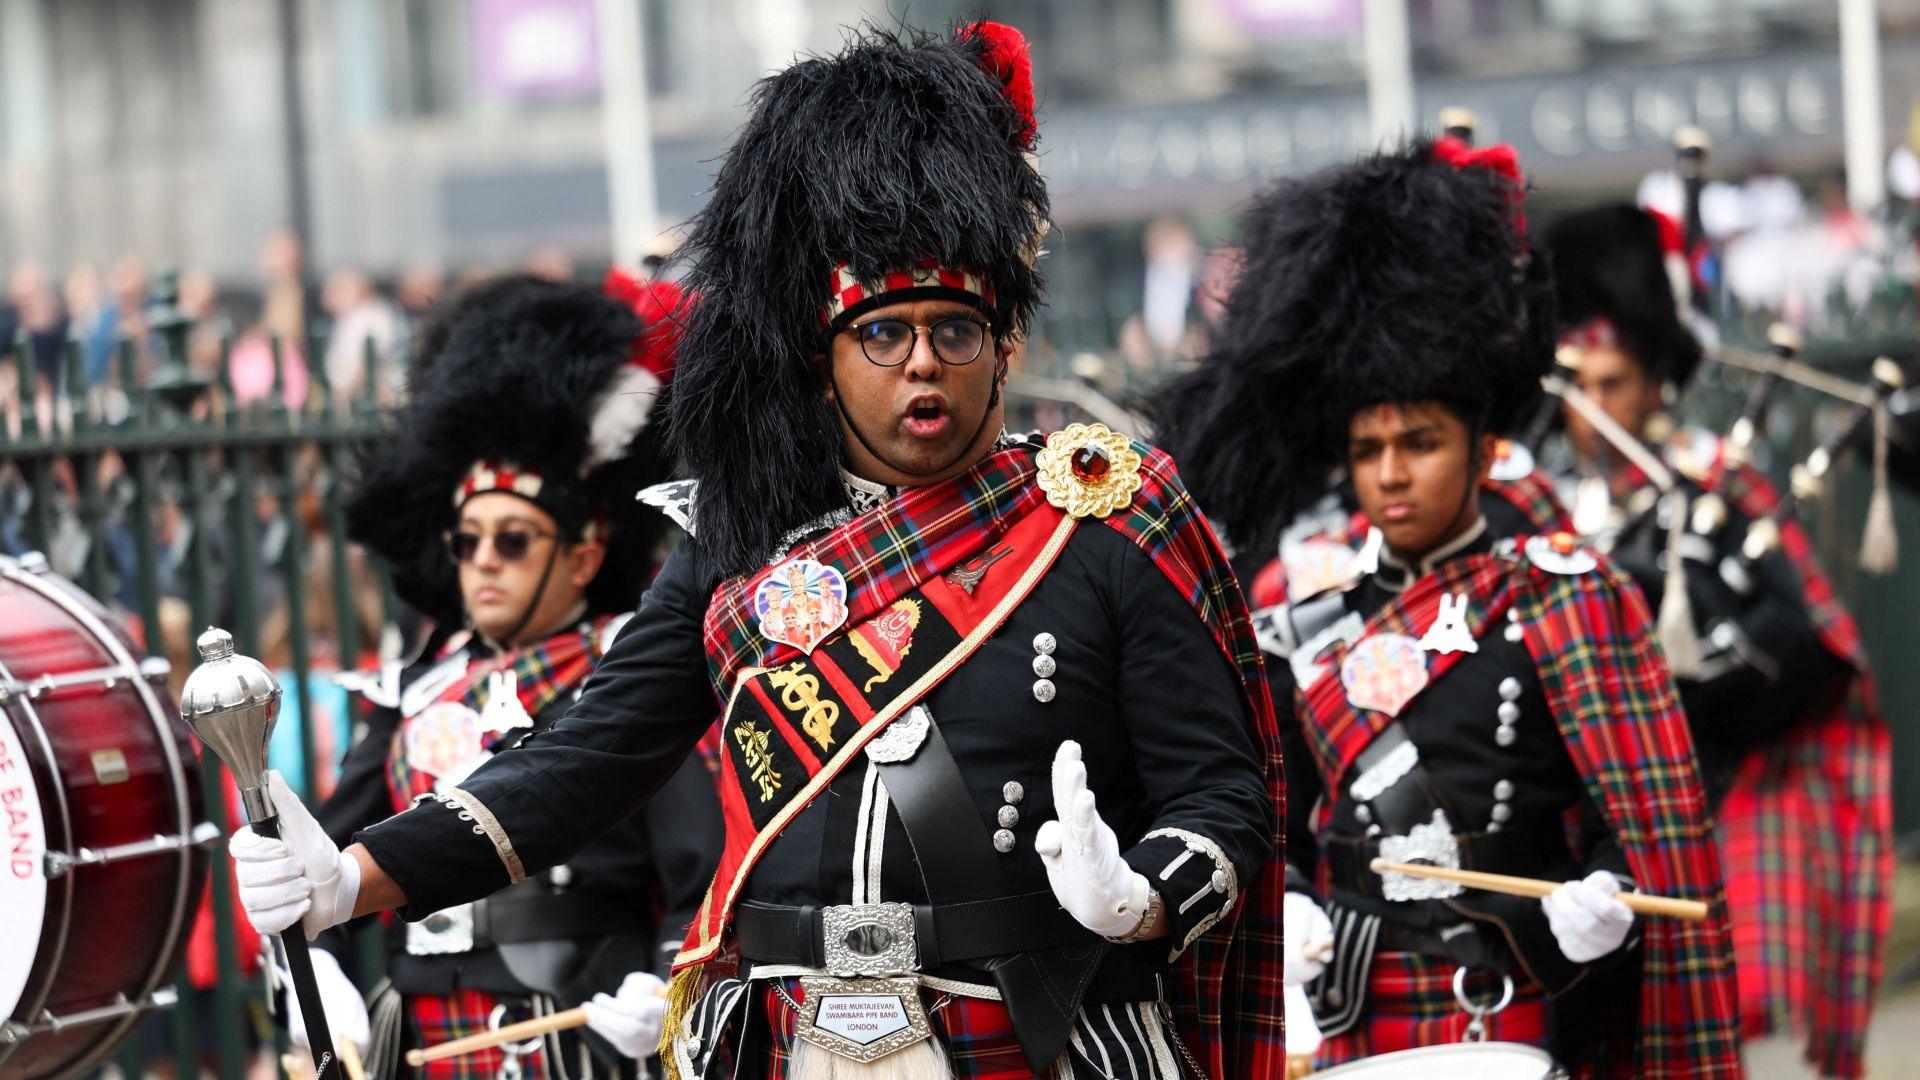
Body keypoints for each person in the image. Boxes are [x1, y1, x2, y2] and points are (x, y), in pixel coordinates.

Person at [230, 23, 1282, 1079]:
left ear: (1003, 346)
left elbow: (1223, 799)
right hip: (792, 1039)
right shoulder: (740, 540)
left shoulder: (1097, 515)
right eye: (885, 333)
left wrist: (1143, 896)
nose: (924, 363)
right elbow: (587, 758)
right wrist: (355, 875)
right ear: (823, 359)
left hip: (1038, 1036)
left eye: (954, 331)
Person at [1153, 138, 1740, 1076]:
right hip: (1346, 1010)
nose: (1390, 474)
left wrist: (1601, 902)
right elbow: (1277, 816)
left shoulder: (1565, 599)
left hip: (1503, 1004)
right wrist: (1293, 895)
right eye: (1368, 448)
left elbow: (1633, 825)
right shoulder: (1306, 616)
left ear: (1480, 445)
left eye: (1420, 443)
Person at [245, 274, 721, 1080]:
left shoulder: (628, 667)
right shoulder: (418, 687)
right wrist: (307, 963)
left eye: (512, 541)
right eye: (467, 541)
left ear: (583, 556)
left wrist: (677, 984)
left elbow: (700, 870)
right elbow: (323, 859)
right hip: (425, 1039)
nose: (482, 565)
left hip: (579, 1031)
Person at [1543, 204, 1892, 1079]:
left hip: (1722, 792)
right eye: (1574, 383)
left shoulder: (1714, 478)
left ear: (1659, 377)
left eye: (1612, 382)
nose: (1592, 408)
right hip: (1583, 824)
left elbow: (1809, 645)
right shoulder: (1545, 504)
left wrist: (1702, 683)